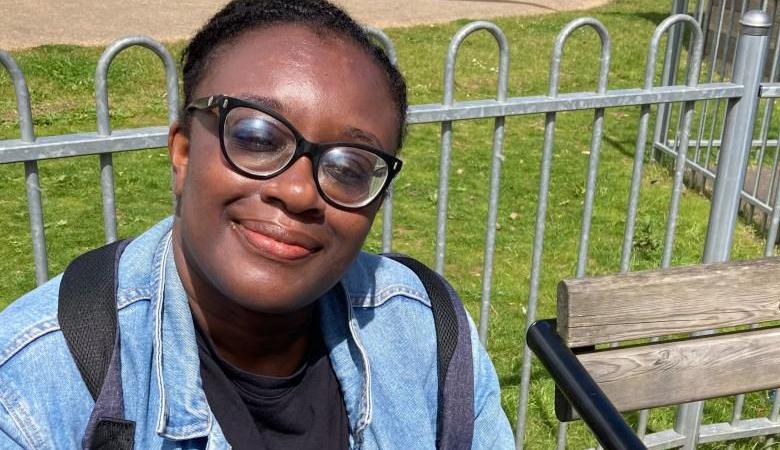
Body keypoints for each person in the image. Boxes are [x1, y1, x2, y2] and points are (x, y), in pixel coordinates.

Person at [0, 0, 514, 448]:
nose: (297, 192)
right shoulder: (34, 388)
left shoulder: (428, 332)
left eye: (349, 167)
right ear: (182, 152)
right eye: (257, 138)